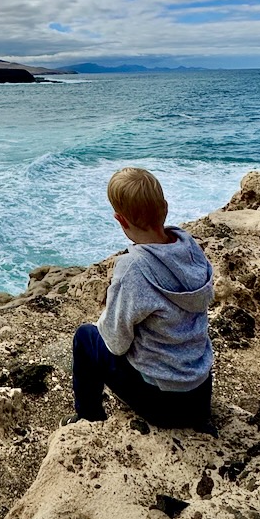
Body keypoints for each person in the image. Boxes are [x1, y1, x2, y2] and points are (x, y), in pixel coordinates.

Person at [69, 166, 214, 430]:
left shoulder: (134, 268)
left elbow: (115, 342)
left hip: (163, 405)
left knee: (86, 338)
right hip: (199, 393)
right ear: (165, 207)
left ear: (121, 220)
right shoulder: (189, 247)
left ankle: (88, 416)